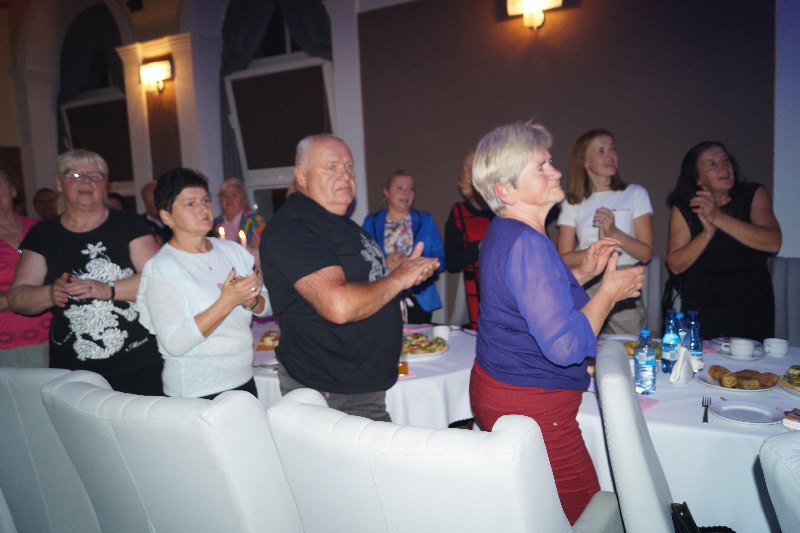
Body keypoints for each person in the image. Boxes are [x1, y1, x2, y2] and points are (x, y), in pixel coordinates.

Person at [468, 122, 644, 524]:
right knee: (589, 516)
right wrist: (608, 293)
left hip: (504, 389)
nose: (556, 172)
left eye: (549, 162)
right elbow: (564, 345)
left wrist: (584, 273)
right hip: (531, 404)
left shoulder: (507, 230)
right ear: (505, 191)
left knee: (538, 511)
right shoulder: (527, 241)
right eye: (541, 167)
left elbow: (528, 298)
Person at [261, 134, 440, 421]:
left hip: (356, 386)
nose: (345, 175)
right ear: (302, 175)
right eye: (331, 167)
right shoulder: (295, 226)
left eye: (348, 166)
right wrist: (398, 279)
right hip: (330, 391)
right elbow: (339, 306)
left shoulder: (340, 224)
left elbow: (364, 283)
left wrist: (399, 271)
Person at [8, 149, 163, 395]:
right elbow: (17, 297)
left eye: (95, 175)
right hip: (74, 371)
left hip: (138, 360)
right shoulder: (43, 235)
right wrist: (49, 293)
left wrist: (108, 289)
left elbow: (159, 279)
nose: (86, 181)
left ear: (105, 184)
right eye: (75, 175)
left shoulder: (130, 224)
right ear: (60, 183)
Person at [137, 168, 271, 399]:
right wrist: (227, 301)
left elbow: (267, 305)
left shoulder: (232, 250)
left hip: (243, 379)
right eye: (190, 203)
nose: (204, 209)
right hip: (197, 391)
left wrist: (251, 301)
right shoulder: (162, 267)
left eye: (206, 200)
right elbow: (174, 343)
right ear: (167, 217)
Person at [665, 141, 781, 340]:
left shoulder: (753, 194)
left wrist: (717, 217)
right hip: (703, 309)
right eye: (713, 164)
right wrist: (706, 234)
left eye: (726, 160)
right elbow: (675, 265)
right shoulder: (685, 208)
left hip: (752, 307)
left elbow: (773, 242)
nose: (724, 167)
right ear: (698, 178)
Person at [557, 128, 653, 334]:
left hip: (623, 277)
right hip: (585, 279)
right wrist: (596, 251)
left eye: (613, 149)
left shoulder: (635, 194)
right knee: (584, 341)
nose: (610, 155)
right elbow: (563, 258)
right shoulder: (573, 202)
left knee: (628, 344)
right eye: (601, 151)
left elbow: (646, 253)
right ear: (584, 161)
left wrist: (614, 232)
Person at [362, 170, 446, 324]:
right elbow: (363, 260)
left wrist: (414, 263)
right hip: (383, 296)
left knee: (419, 339)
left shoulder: (426, 220)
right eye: (399, 188)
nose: (406, 193)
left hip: (419, 298)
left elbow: (441, 260)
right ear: (386, 192)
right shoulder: (371, 222)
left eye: (411, 189)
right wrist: (386, 264)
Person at [0, 163, 51, 367]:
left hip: (55, 337)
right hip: (6, 346)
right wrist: (24, 297)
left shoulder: (41, 229)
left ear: (13, 190)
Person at [444, 152, 494, 330]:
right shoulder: (458, 212)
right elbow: (452, 262)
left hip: (504, 289)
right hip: (472, 292)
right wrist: (479, 247)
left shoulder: (504, 209)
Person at [213, 177, 265, 253]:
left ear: (243, 199)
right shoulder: (214, 224)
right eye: (224, 195)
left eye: (234, 195)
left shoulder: (255, 221)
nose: (229, 199)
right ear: (220, 201)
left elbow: (264, 251)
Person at [140, 180, 172, 245]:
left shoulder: (178, 220)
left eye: (158, 205)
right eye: (150, 206)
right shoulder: (140, 224)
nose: (156, 210)